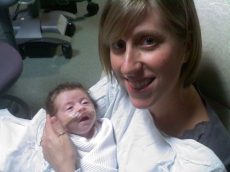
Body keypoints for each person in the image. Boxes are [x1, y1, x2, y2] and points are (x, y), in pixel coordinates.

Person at [41, 0, 230, 171]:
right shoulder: (120, 87)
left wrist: (65, 167)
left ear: (186, 47)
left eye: (149, 41)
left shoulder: (208, 157)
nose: (127, 67)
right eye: (118, 45)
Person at [3, 82, 117, 172]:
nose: (80, 108)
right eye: (69, 108)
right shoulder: (59, 143)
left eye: (84, 102)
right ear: (56, 121)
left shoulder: (107, 126)